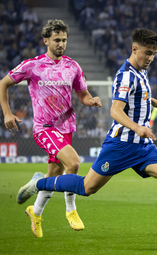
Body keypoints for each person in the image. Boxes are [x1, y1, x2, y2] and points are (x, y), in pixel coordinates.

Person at [16, 28, 157, 242]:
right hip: (120, 146)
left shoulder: (141, 71)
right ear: (135, 49)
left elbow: (137, 95)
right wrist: (137, 127)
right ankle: (39, 183)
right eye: (147, 53)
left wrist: (154, 102)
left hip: (142, 147)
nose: (150, 58)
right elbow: (115, 110)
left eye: (154, 54)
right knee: (87, 187)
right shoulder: (125, 75)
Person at [0, 19, 102, 237]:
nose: (61, 44)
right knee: (73, 163)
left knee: (55, 174)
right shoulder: (32, 65)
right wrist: (7, 113)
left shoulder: (73, 66)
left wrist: (90, 100)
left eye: (64, 40)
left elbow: (82, 94)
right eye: (57, 40)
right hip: (44, 127)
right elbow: (3, 83)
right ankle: (71, 209)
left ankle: (35, 212)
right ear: (46, 40)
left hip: (66, 127)